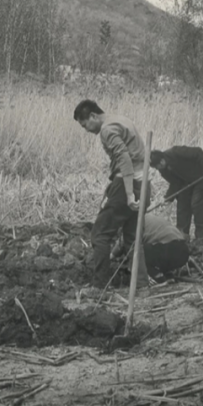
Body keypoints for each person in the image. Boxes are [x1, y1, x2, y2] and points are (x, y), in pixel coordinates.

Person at [73, 99, 147, 287]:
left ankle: (99, 286)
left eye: (85, 125)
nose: (86, 130)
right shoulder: (121, 120)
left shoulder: (107, 130)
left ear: (93, 116)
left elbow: (124, 159)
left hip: (127, 185)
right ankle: (141, 284)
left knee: (99, 235)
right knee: (132, 237)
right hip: (144, 183)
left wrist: (128, 193)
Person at [150, 146, 203, 244]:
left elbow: (197, 152)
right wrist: (167, 198)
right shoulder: (163, 171)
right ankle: (182, 237)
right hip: (185, 184)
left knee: (197, 204)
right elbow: (175, 183)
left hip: (201, 177)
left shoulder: (175, 152)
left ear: (162, 161)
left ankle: (200, 238)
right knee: (182, 207)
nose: (157, 169)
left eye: (157, 166)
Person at [111, 213, 191, 281]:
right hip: (183, 251)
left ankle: (157, 276)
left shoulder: (132, 223)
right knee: (152, 248)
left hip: (168, 249)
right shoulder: (148, 217)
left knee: (139, 252)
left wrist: (111, 256)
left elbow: (124, 243)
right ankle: (167, 273)